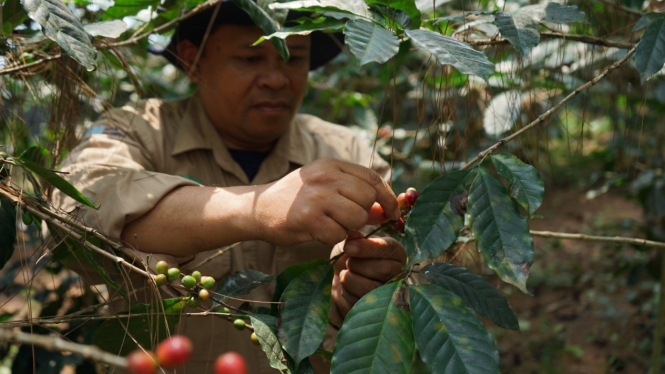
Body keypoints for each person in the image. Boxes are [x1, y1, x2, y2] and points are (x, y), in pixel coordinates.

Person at [52, 1, 407, 372]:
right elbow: (75, 210)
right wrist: (257, 208)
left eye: (293, 58)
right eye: (250, 59)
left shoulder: (347, 153)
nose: (276, 79)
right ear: (193, 61)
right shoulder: (138, 132)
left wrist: (365, 283)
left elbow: (385, 263)